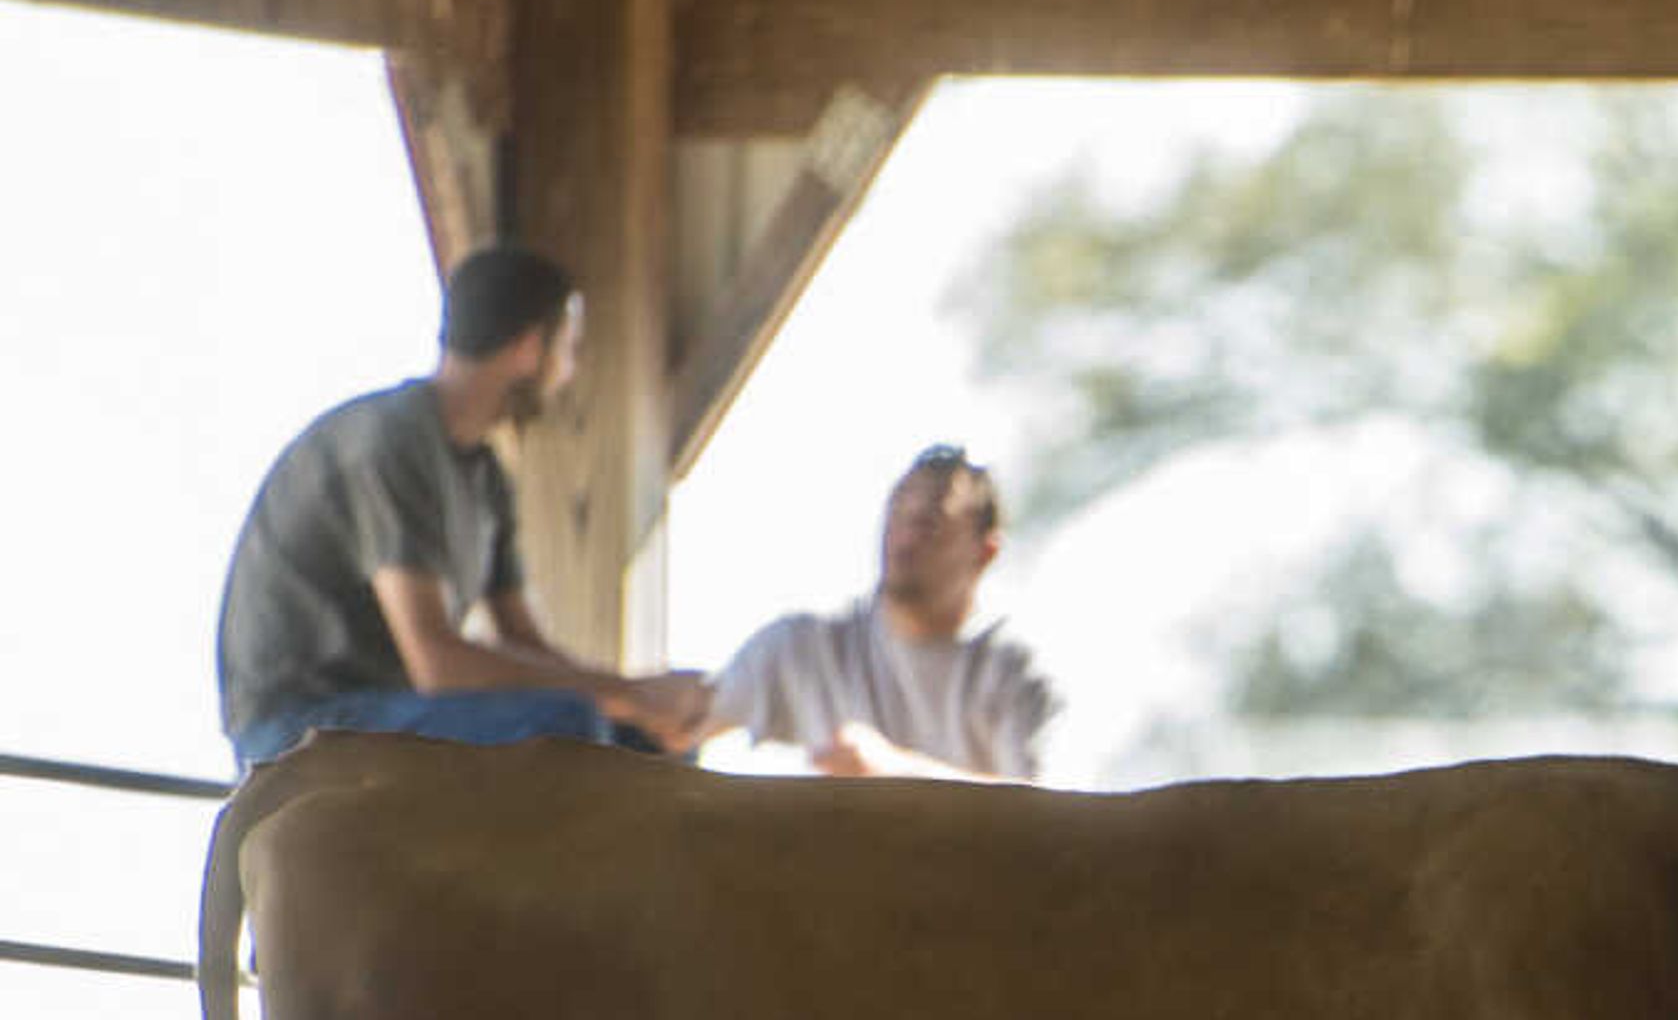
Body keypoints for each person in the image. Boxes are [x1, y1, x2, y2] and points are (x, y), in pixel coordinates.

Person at [216, 243, 715, 768]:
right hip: (300, 726)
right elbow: (438, 664)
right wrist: (627, 694)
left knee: (650, 748)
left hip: (393, 713)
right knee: (567, 726)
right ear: (529, 346)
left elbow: (523, 643)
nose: (570, 371)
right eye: (568, 348)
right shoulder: (393, 441)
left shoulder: (482, 474)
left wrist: (642, 702)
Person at [703, 445, 1060, 781]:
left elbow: (1045, 814)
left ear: (985, 553)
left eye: (928, 524)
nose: (904, 538)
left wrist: (893, 773)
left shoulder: (1017, 673)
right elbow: (691, 709)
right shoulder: (805, 650)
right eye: (897, 515)